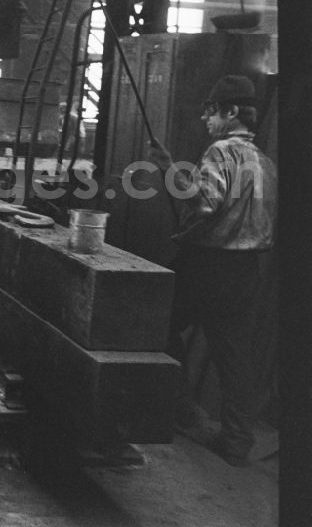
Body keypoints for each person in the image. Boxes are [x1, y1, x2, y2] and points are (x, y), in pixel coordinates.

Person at [148, 75, 277, 467]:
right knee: (234, 356)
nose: (206, 119)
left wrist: (169, 169)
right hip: (245, 271)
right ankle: (237, 440)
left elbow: (204, 204)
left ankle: (179, 407)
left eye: (211, 111)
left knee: (156, 324)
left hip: (208, 265)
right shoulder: (266, 163)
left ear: (231, 113)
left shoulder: (222, 151)